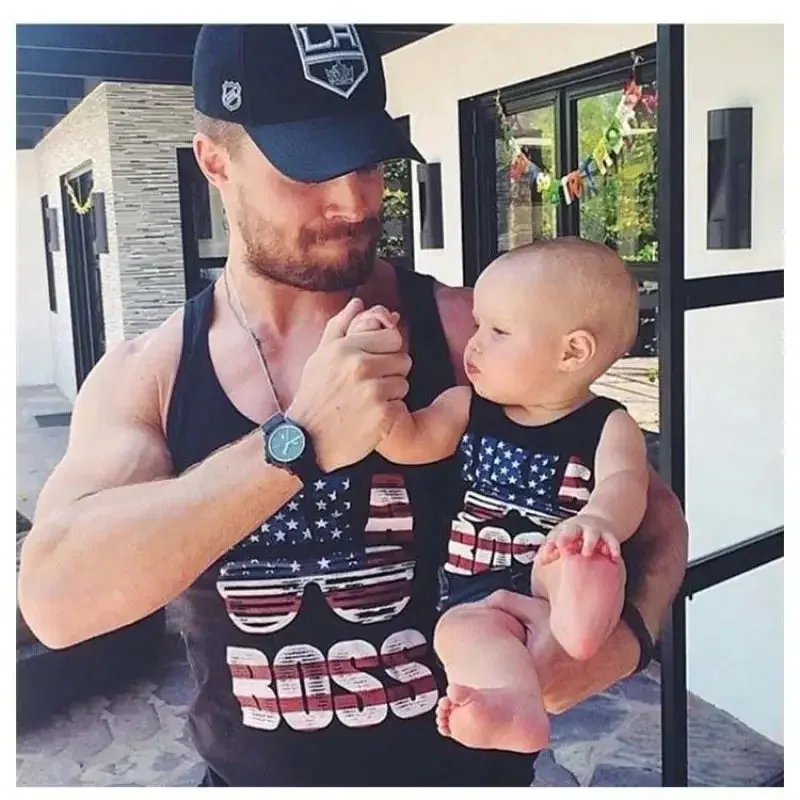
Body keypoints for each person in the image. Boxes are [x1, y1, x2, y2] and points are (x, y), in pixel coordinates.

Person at [18, 24, 687, 787]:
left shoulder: (469, 335)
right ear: (215, 162)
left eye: (364, 161)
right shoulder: (154, 374)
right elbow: (54, 602)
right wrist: (298, 441)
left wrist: (621, 646)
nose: (354, 199)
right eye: (307, 166)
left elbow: (657, 525)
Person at [353, 238, 649, 754]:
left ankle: (581, 611)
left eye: (498, 332)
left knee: (579, 559)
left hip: (552, 572)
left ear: (572, 352)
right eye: (477, 327)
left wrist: (598, 521)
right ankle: (514, 708)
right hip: (476, 592)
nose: (474, 345)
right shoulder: (467, 407)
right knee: (458, 635)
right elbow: (407, 441)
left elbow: (625, 483)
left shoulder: (609, 423)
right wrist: (372, 376)